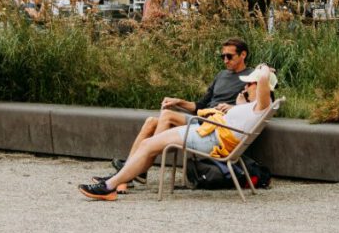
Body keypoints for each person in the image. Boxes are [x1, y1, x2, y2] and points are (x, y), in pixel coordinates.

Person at [79, 63, 277, 200]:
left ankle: (111, 185)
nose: (247, 85)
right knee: (150, 143)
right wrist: (239, 104)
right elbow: (243, 114)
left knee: (149, 145)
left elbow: (263, 81)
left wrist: (264, 69)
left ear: (261, 87)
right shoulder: (254, 106)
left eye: (250, 83)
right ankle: (122, 178)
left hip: (210, 138)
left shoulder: (262, 105)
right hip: (210, 132)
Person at [106, 38, 252, 185]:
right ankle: (133, 172)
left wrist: (233, 107)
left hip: (215, 125)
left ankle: (136, 169)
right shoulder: (221, 75)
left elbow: (257, 105)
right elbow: (200, 105)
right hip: (201, 118)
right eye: (223, 56)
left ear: (243, 55)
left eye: (229, 56)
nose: (225, 60)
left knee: (167, 115)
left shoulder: (251, 78)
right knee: (150, 122)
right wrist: (178, 102)